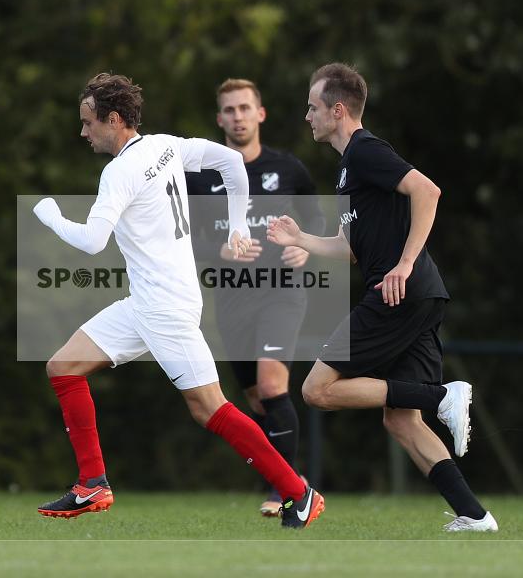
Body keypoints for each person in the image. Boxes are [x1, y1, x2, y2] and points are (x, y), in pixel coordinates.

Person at [32, 72, 324, 529]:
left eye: (88, 123)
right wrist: (238, 225)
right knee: (62, 367)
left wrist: (49, 215)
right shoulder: (165, 146)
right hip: (148, 302)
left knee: (210, 407)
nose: (83, 132)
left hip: (163, 309)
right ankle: (92, 483)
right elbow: (230, 161)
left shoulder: (120, 171)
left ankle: (297, 492)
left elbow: (91, 241)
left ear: (113, 120)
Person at [267, 62, 498, 532]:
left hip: (399, 293)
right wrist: (302, 239)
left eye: (312, 108)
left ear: (337, 110)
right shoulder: (348, 169)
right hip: (418, 296)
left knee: (315, 390)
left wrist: (406, 262)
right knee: (401, 421)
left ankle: (442, 395)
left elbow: (427, 191)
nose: (306, 116)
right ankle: (475, 516)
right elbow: (350, 249)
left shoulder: (366, 151)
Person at [186, 78, 325, 517]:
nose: (238, 116)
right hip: (231, 301)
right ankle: (288, 482)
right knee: (256, 400)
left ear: (260, 114)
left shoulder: (288, 170)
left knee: (271, 385)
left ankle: (284, 490)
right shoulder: (203, 178)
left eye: (245, 108)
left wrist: (306, 244)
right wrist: (221, 250)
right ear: (219, 119)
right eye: (229, 110)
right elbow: (184, 240)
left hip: (281, 293)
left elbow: (318, 220)